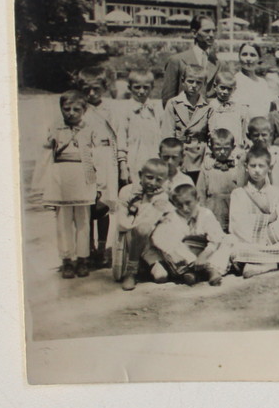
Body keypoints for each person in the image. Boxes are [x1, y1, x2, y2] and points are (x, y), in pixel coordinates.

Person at [31, 90, 102, 279]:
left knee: (83, 221)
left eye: (76, 109)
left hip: (83, 177)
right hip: (61, 178)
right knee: (63, 222)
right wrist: (40, 184)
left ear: (84, 110)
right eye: (66, 109)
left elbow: (98, 156)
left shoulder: (91, 128)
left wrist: (100, 182)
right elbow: (45, 157)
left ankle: (82, 259)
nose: (71, 113)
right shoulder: (55, 129)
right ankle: (67, 260)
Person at [228, 146, 279, 278]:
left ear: (269, 168)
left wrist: (269, 234)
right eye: (253, 166)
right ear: (246, 167)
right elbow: (237, 224)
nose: (257, 170)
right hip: (250, 243)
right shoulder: (238, 194)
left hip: (275, 243)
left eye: (261, 166)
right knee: (234, 247)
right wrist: (267, 219)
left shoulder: (277, 193)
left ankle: (263, 264)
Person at [77, 66, 118, 268]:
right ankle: (88, 248)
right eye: (87, 90)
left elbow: (117, 137)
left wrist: (120, 163)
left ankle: (102, 248)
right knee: (87, 204)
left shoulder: (110, 109)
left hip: (105, 158)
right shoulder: (79, 109)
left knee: (104, 205)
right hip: (86, 158)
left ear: (104, 87)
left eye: (96, 89)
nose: (91, 94)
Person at [150, 184, 232, 286]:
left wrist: (203, 256)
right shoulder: (172, 216)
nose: (184, 208)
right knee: (172, 244)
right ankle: (189, 272)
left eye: (188, 203)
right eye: (179, 205)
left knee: (227, 239)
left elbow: (216, 238)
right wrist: (172, 252)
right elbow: (157, 237)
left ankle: (212, 270)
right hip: (186, 256)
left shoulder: (206, 214)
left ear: (197, 199)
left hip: (206, 253)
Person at [115, 158, 173, 290]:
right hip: (132, 233)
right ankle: (132, 270)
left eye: (159, 180)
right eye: (149, 177)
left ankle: (152, 264)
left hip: (153, 239)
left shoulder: (162, 196)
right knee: (142, 229)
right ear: (140, 175)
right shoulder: (127, 191)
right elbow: (121, 219)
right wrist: (133, 223)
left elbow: (157, 219)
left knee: (161, 276)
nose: (153, 183)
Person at [160, 64, 211, 183]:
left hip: (199, 158)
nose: (194, 86)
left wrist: (208, 157)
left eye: (198, 82)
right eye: (190, 81)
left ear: (203, 84)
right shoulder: (173, 103)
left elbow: (210, 135)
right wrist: (172, 158)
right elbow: (167, 134)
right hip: (179, 156)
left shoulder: (207, 106)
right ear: (183, 81)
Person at [116, 69, 163, 187]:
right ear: (129, 87)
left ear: (152, 87)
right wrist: (123, 166)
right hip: (134, 159)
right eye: (137, 87)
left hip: (153, 157)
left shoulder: (157, 109)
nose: (141, 91)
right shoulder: (124, 110)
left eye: (146, 87)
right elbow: (121, 138)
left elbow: (162, 135)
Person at [161, 15, 220, 107]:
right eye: (207, 31)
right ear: (194, 33)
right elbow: (168, 100)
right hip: (183, 117)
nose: (212, 35)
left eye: (214, 31)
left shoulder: (216, 62)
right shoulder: (177, 60)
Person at [196, 129, 244, 231]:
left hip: (232, 210)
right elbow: (200, 193)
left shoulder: (237, 167)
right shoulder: (207, 167)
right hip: (213, 210)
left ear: (233, 148)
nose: (222, 152)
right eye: (218, 149)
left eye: (226, 149)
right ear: (211, 148)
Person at [245, 116, 279, 192]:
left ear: (270, 134)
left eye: (264, 135)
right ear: (248, 136)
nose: (260, 138)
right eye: (256, 135)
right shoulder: (246, 156)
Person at [232, 42, 275, 119]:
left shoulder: (263, 83)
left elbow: (270, 108)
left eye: (253, 55)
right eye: (244, 54)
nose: (248, 59)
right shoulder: (233, 81)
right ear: (239, 57)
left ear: (259, 58)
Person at [207, 71, 248, 145]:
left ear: (234, 89)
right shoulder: (211, 106)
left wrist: (245, 139)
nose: (225, 92)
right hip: (217, 144)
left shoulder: (238, 106)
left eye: (229, 89)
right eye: (222, 88)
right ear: (215, 87)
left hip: (235, 143)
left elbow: (244, 125)